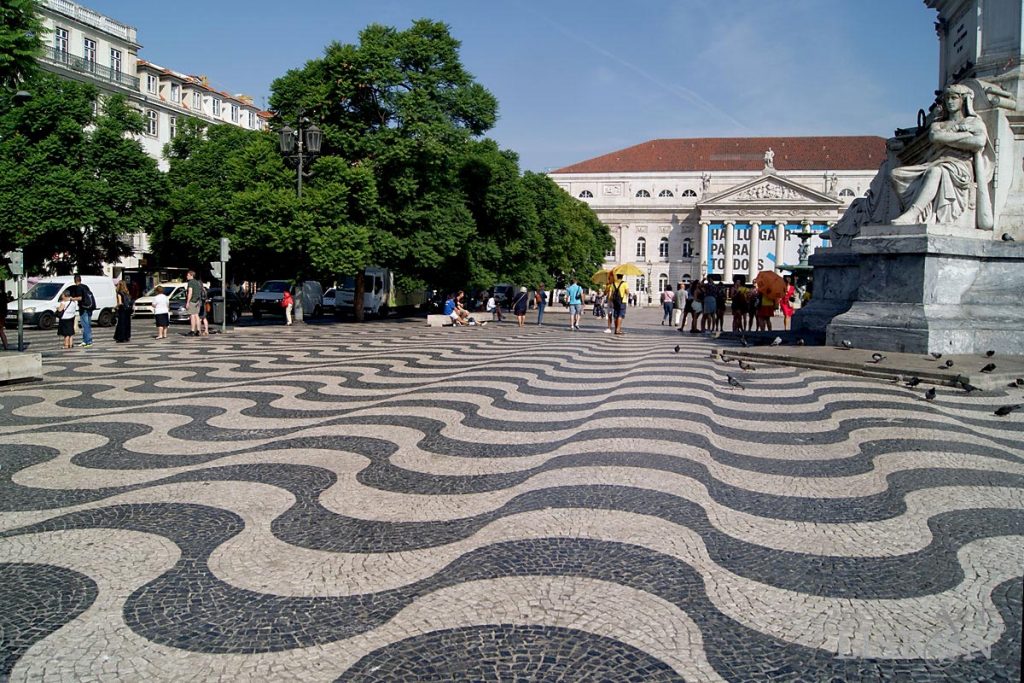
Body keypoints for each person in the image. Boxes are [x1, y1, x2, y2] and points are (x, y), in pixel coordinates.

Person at [891, 84, 991, 228]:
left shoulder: (974, 122)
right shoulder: (938, 124)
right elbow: (934, 137)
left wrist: (946, 138)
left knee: (936, 171)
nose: (950, 102)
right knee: (896, 174)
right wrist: (963, 135)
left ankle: (913, 213)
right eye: (947, 98)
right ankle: (919, 211)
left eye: (954, 98)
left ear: (964, 100)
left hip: (960, 166)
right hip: (936, 161)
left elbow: (978, 141)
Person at [69, 274, 94, 347]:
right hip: (90, 307)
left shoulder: (78, 288)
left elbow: (80, 298)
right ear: (80, 279)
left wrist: (72, 299)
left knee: (85, 325)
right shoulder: (85, 286)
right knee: (88, 324)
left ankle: (88, 341)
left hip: (84, 308)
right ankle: (85, 340)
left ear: (75, 280)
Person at [184, 270, 202, 336]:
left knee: (192, 315)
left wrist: (187, 302)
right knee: (197, 315)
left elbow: (190, 292)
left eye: (188, 275)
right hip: (198, 300)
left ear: (191, 275)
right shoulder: (197, 282)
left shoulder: (190, 282)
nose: (187, 276)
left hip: (192, 301)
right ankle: (198, 330)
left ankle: (192, 331)